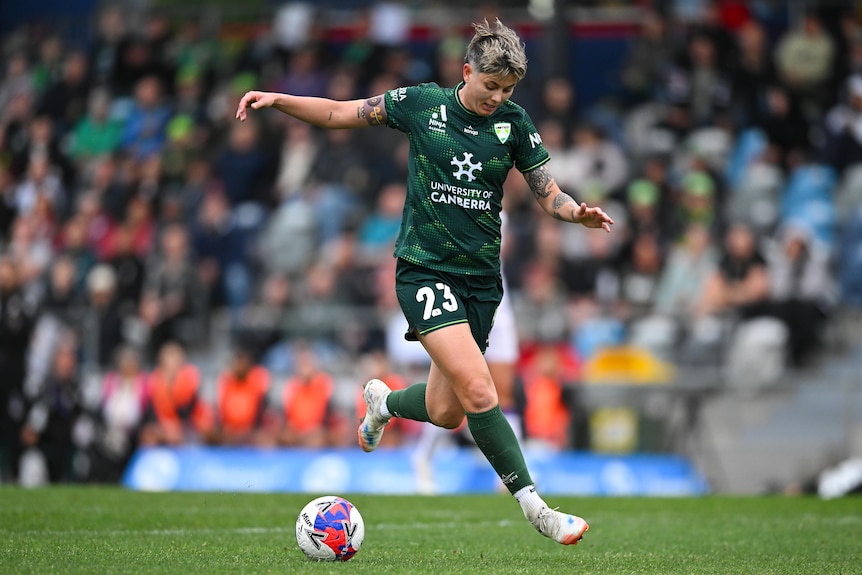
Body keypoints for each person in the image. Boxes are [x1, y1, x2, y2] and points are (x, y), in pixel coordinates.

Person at [236, 18, 613, 546]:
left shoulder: (515, 123)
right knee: (482, 389)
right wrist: (279, 99)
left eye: (507, 90)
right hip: (425, 271)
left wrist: (576, 214)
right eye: (490, 86)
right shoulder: (423, 105)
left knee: (446, 411)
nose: (497, 97)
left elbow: (547, 189)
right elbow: (342, 113)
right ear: (466, 72)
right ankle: (539, 511)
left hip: (481, 283)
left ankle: (382, 403)